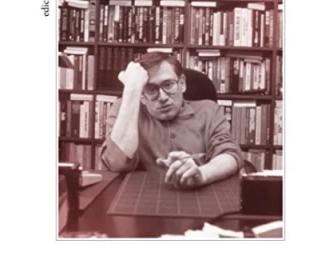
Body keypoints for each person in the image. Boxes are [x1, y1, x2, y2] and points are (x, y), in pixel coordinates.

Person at [100, 51, 243, 188]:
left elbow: (230, 155)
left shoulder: (208, 110)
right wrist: (132, 90)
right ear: (141, 96)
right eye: (151, 89)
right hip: (142, 195)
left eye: (168, 85)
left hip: (200, 193)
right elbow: (116, 163)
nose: (162, 97)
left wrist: (202, 174)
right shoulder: (125, 109)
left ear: (182, 84)